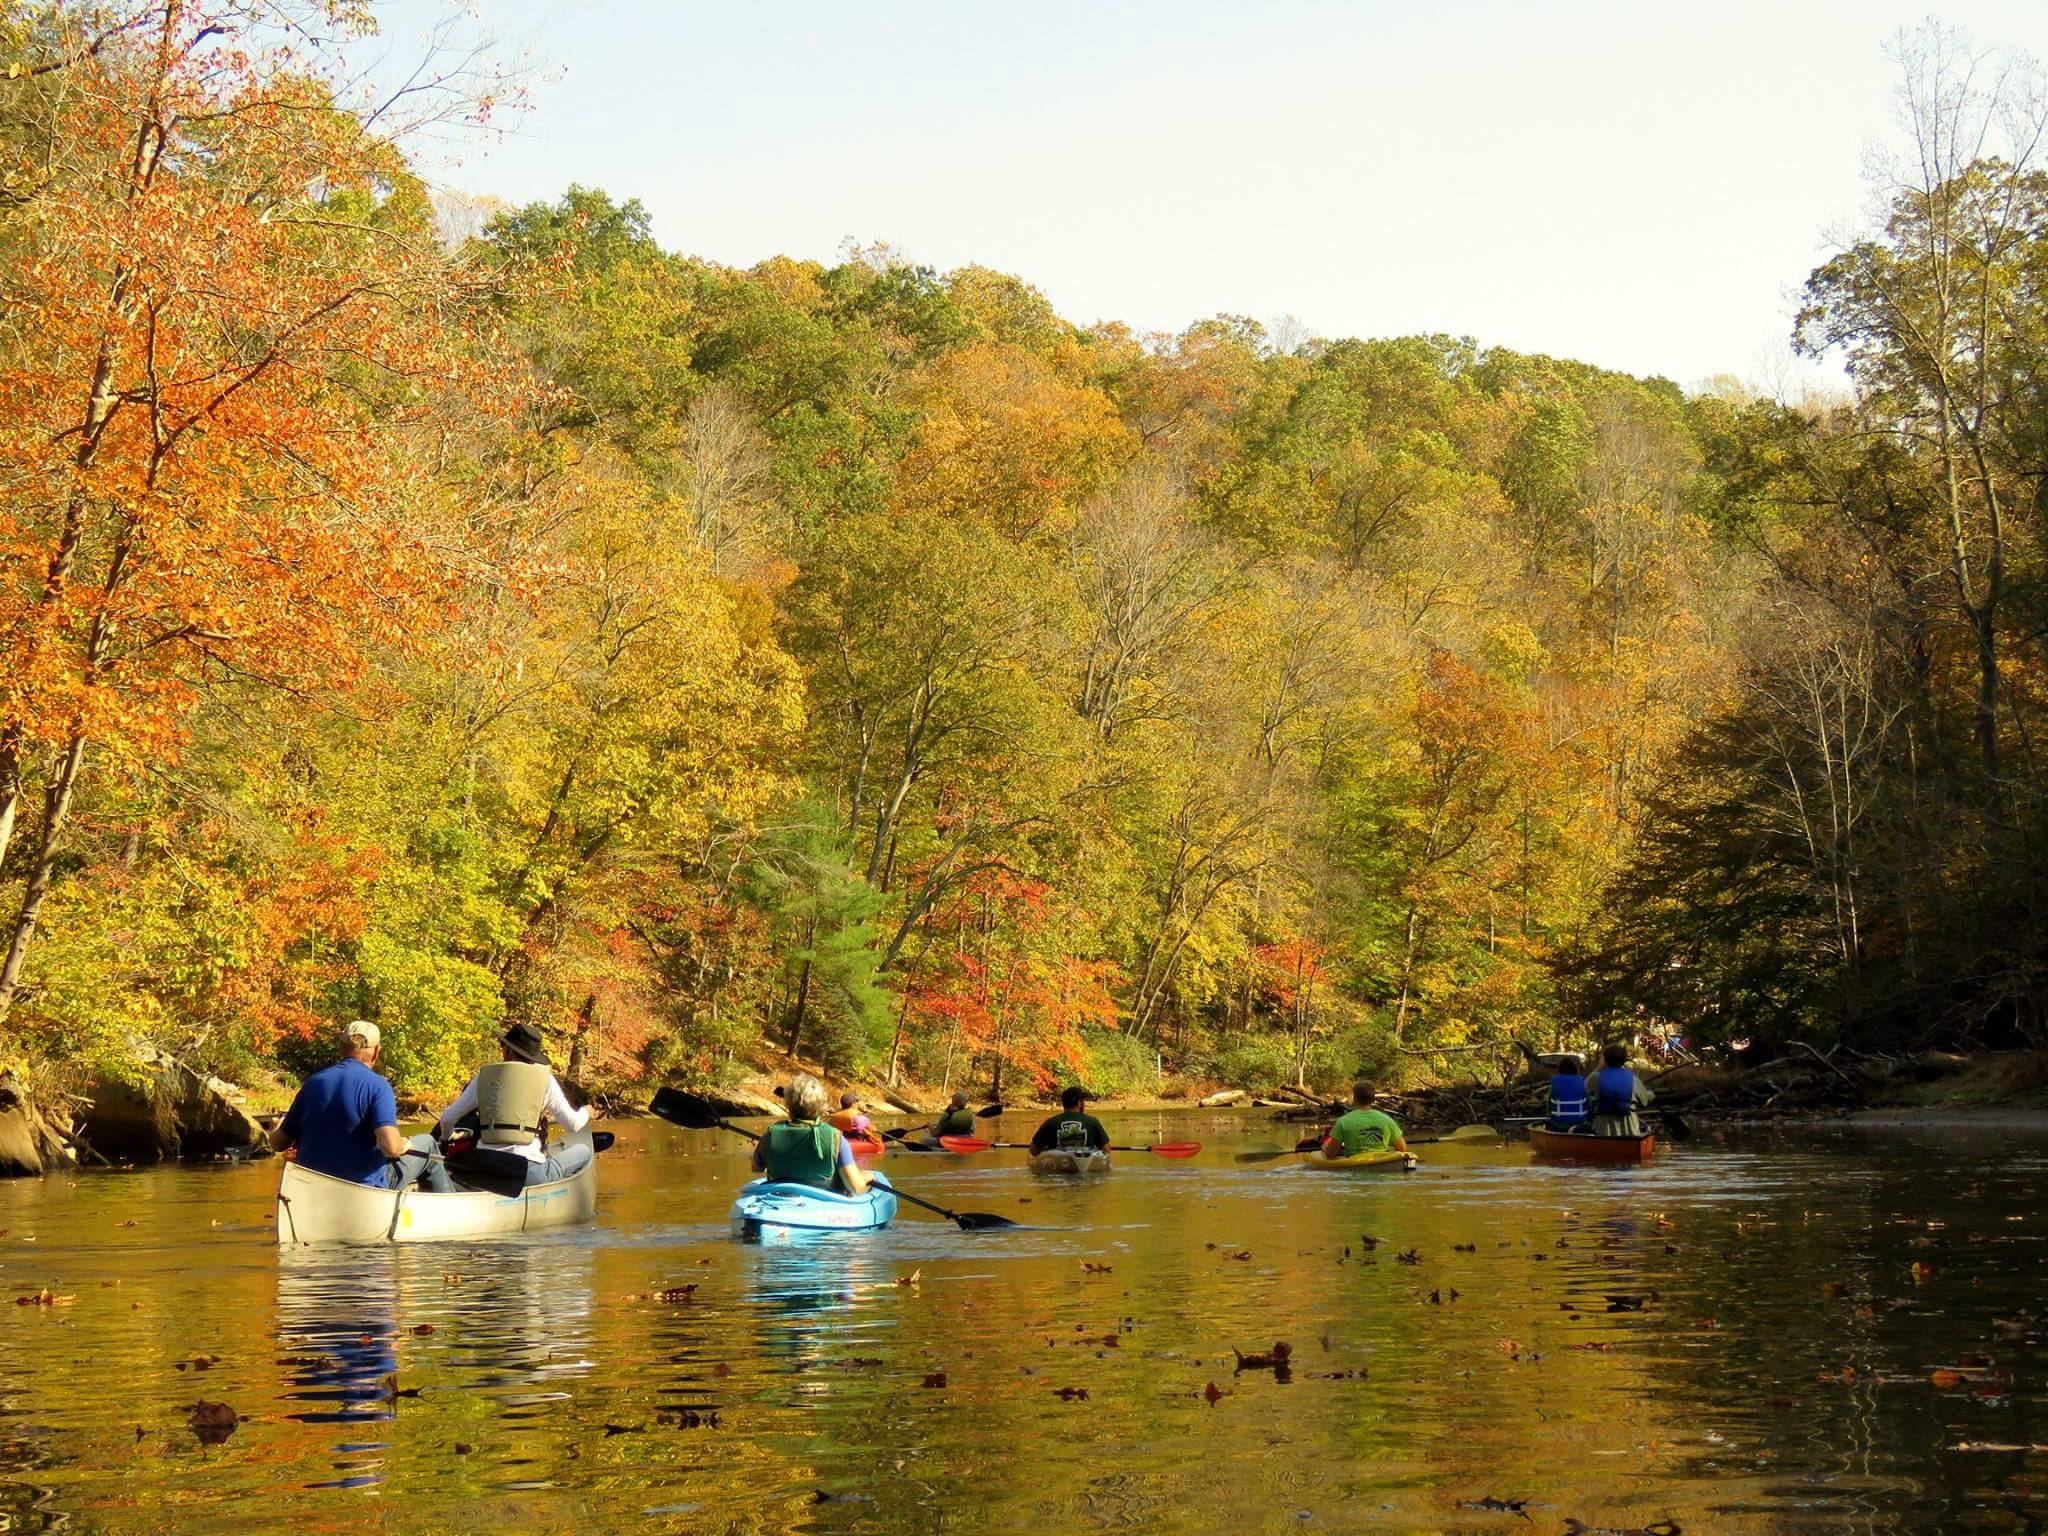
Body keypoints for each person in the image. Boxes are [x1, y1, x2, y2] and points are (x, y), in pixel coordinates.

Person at [430, 1021, 594, 1190]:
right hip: (526, 1173)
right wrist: (586, 1111)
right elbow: (573, 1125)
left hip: (483, 1169)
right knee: (583, 1151)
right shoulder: (546, 1080)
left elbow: (447, 1118)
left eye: (503, 1045)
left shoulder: (483, 1077)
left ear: (509, 1050)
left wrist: (445, 1138)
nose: (502, 1049)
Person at [271, 1020, 433, 1188]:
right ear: (377, 1052)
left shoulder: (313, 1082)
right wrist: (403, 1144)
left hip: (311, 1186)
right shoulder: (378, 1086)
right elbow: (391, 1148)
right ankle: (451, 1207)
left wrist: (274, 1129)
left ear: (340, 1047)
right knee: (428, 1143)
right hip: (361, 1190)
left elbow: (277, 1144)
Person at [754, 1074, 870, 1194]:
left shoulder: (769, 1135)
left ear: (788, 1104)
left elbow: (756, 1167)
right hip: (824, 1204)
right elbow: (856, 1188)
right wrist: (869, 1177)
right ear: (822, 1105)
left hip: (779, 1198)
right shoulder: (836, 1138)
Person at [1321, 1082, 1407, 1158]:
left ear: (1355, 1099)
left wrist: (1324, 1147)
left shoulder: (1343, 1121)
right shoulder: (1387, 1120)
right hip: (1380, 1162)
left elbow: (1331, 1153)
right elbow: (1402, 1148)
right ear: (1372, 1099)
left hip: (1355, 1168)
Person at [1588, 1043, 1655, 1137]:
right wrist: (1650, 1094)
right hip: (1629, 1129)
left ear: (1604, 1060)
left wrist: (1600, 1066)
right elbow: (1645, 1101)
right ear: (1624, 1060)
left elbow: (1584, 1088)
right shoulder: (1634, 1080)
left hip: (1603, 1130)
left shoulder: (1595, 1078)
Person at [1029, 1086, 1111, 1155]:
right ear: (1079, 1103)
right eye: (1083, 1101)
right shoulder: (1093, 1122)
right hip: (1086, 1168)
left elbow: (1033, 1150)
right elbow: (1106, 1150)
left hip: (1058, 1167)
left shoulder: (1050, 1123)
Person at [1546, 1054, 1590, 1132]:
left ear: (1560, 1069)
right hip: (1579, 1125)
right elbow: (1589, 1104)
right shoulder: (1582, 1083)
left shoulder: (1554, 1083)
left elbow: (1549, 1105)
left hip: (1558, 1125)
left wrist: (1551, 1116)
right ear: (1574, 1069)